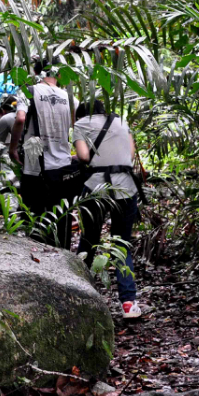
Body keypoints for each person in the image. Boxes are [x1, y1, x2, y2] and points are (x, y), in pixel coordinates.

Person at [73, 99, 143, 320]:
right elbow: (130, 153)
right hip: (126, 187)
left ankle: (77, 294)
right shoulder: (122, 121)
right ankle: (129, 304)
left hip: (97, 188)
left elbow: (84, 156)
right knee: (122, 244)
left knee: (89, 241)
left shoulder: (82, 124)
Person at [8, 57, 77, 249]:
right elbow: (76, 124)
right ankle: (63, 260)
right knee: (62, 216)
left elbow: (20, 119)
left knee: (36, 216)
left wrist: (13, 148)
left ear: (37, 73)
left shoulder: (28, 91)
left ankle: (40, 264)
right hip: (63, 167)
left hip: (35, 167)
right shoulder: (69, 97)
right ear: (59, 74)